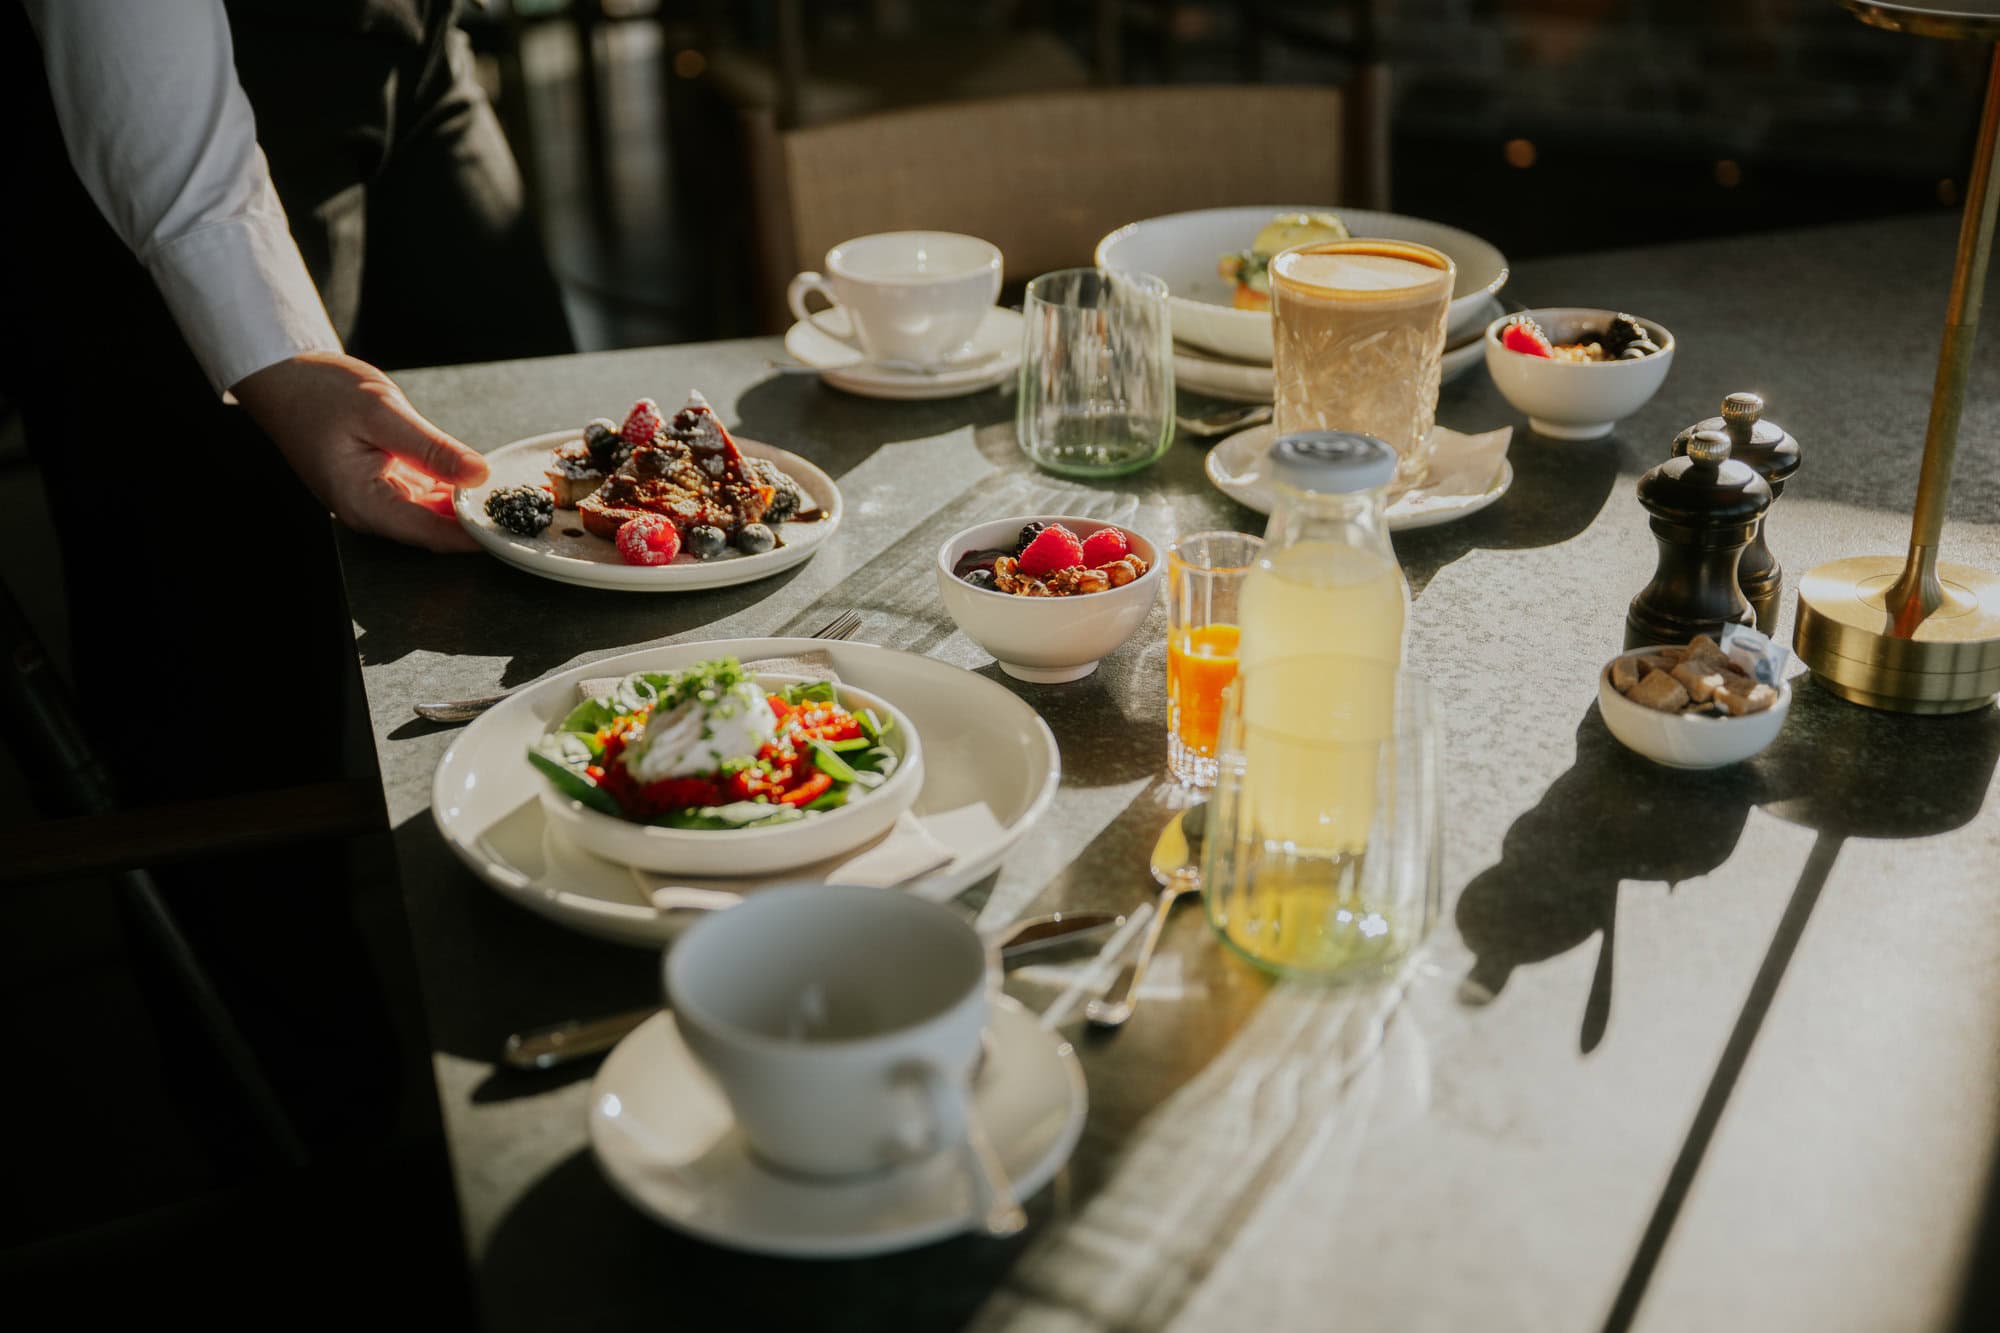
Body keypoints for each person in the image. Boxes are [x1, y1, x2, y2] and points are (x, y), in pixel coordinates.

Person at [1, 0, 573, 1289]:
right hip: (167, 64)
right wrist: (278, 354)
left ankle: (581, 985)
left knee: (552, 527)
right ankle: (310, 1178)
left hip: (413, 34)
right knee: (225, 678)